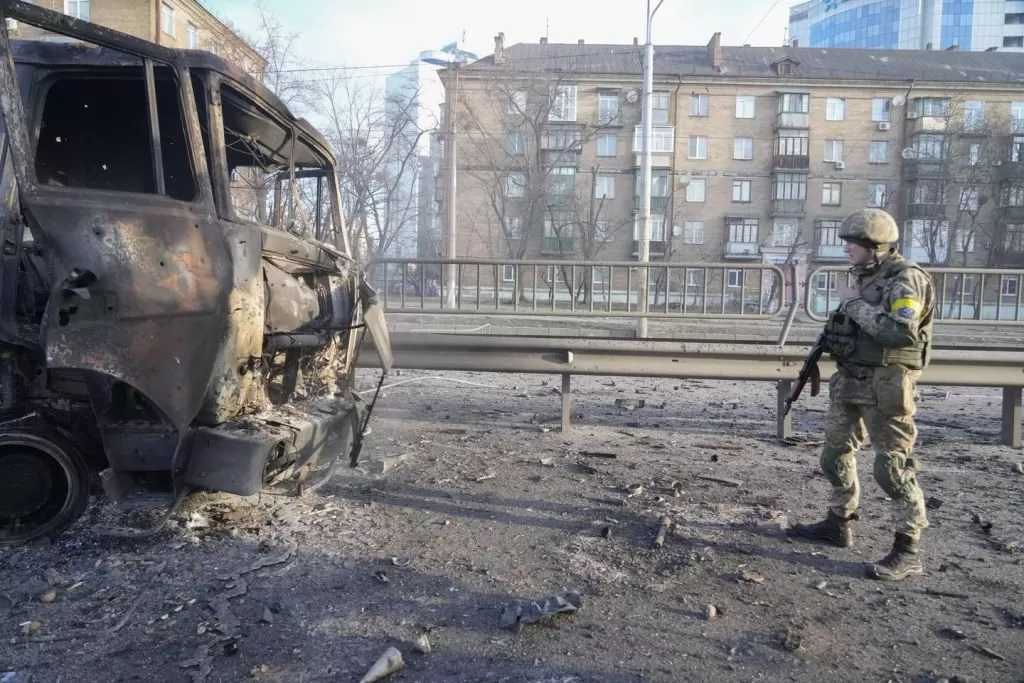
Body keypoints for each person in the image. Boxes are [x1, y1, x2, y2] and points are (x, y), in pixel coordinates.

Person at [787, 208, 936, 582]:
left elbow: (899, 332)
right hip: (851, 379)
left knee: (891, 469)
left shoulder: (906, 279)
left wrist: (853, 303)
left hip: (887, 385)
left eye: (853, 243)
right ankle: (839, 523)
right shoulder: (863, 276)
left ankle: (908, 548)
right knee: (833, 456)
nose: (847, 249)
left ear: (876, 246)